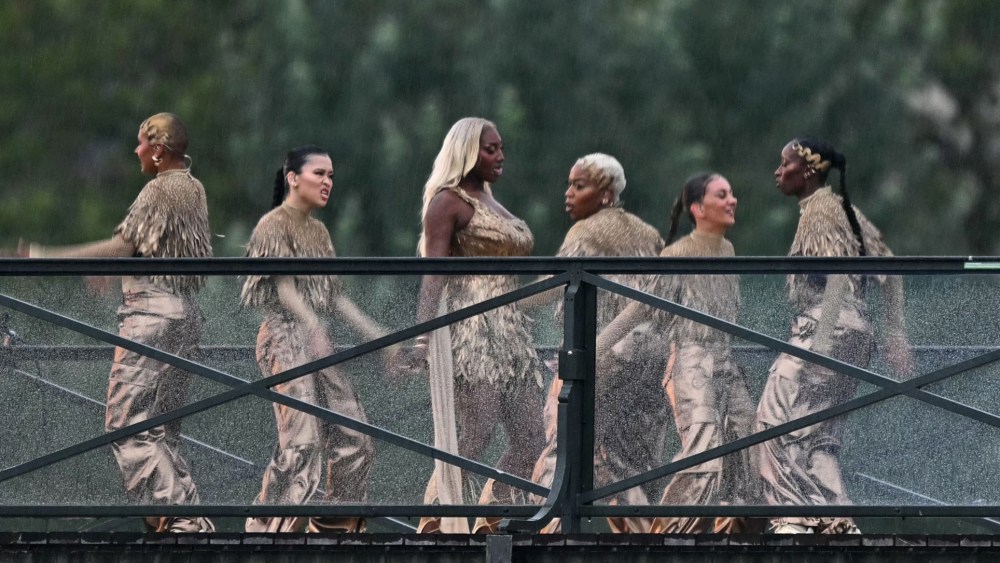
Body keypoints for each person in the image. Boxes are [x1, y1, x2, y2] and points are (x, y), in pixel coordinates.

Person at [24, 113, 214, 532]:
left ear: (159, 150)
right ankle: (189, 518)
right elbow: (153, 249)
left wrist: (47, 256)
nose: (137, 152)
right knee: (161, 431)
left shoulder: (160, 188)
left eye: (142, 144)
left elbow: (123, 245)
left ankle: (183, 523)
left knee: (128, 426)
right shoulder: (193, 188)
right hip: (184, 314)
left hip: (151, 317)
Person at [391, 117, 546, 534]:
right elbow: (433, 273)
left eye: (500, 148)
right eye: (490, 149)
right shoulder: (447, 201)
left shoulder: (491, 201)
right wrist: (422, 338)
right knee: (474, 435)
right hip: (471, 329)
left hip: (512, 333)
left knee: (534, 435)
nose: (500, 156)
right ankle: (436, 520)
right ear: (466, 152)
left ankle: (492, 511)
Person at [755, 138, 913, 534]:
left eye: (785, 163)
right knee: (820, 439)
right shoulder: (845, 209)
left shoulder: (821, 211)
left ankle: (792, 521)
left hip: (826, 329)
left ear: (807, 170)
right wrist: (894, 333)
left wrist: (821, 347)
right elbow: (889, 267)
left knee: (774, 423)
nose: (778, 171)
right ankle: (838, 522)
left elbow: (839, 272)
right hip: (856, 332)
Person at [595, 172, 761, 534]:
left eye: (732, 193)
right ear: (699, 208)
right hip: (691, 362)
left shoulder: (728, 250)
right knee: (704, 452)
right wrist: (594, 351)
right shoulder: (677, 254)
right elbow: (639, 310)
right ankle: (666, 534)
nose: (732, 200)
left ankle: (733, 533)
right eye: (722, 195)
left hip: (726, 363)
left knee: (749, 445)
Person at [242, 145, 387, 533]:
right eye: (319, 174)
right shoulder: (273, 224)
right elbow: (285, 287)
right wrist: (312, 326)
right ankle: (266, 533)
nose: (328, 182)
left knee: (355, 437)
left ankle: (333, 531)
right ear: (293, 178)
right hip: (285, 337)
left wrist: (383, 336)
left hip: (315, 335)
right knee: (301, 442)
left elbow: (334, 297)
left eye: (331, 176)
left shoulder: (318, 231)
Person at [527, 153, 667, 533]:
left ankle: (545, 533)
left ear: (606, 195)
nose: (568, 194)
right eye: (569, 184)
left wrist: (503, 304)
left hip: (604, 353)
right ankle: (645, 540)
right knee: (629, 459)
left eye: (579, 185)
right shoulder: (648, 232)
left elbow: (556, 284)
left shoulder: (585, 232)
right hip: (650, 354)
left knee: (564, 442)